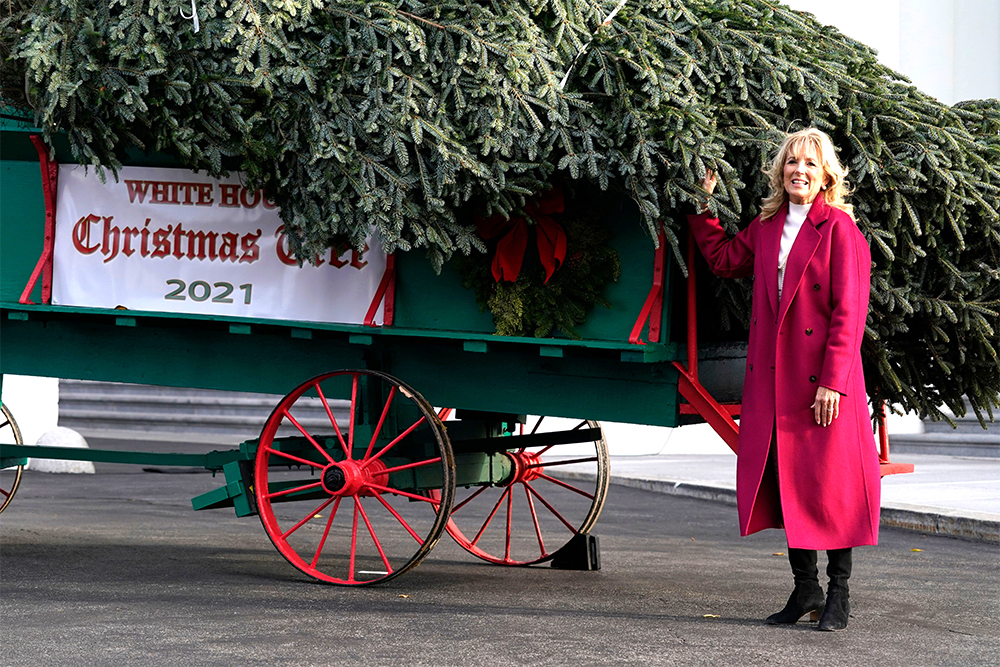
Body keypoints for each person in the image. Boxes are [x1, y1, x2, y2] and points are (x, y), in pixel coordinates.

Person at [688, 128, 881, 631]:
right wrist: (702, 206)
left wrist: (833, 382)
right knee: (787, 482)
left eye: (811, 164)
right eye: (793, 161)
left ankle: (838, 595)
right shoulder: (768, 225)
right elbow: (724, 260)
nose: (800, 170)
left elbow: (849, 312)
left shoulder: (840, 230)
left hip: (822, 380)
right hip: (775, 377)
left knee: (830, 484)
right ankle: (805, 589)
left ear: (826, 176)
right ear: (781, 171)